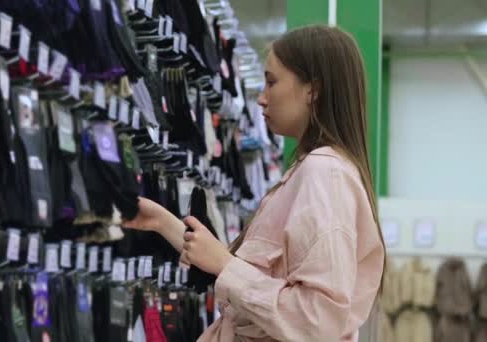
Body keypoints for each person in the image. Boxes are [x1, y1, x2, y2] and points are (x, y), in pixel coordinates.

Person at [122, 25, 386, 341]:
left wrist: (225, 265)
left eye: (272, 82)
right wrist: (161, 221)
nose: (261, 98)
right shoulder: (311, 173)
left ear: (312, 90)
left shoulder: (323, 174)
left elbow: (319, 319)